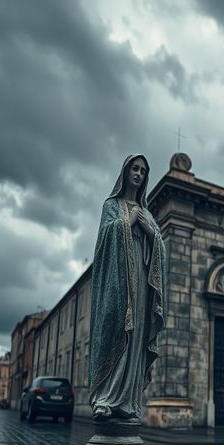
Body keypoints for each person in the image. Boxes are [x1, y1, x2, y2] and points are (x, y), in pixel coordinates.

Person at [88, 154, 167, 420]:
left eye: (143, 171)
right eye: (135, 169)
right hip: (119, 282)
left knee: (136, 336)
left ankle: (129, 401)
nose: (139, 174)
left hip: (141, 284)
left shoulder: (147, 213)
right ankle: (106, 398)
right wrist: (127, 223)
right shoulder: (111, 205)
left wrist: (150, 231)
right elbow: (103, 242)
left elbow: (161, 250)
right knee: (117, 329)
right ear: (125, 172)